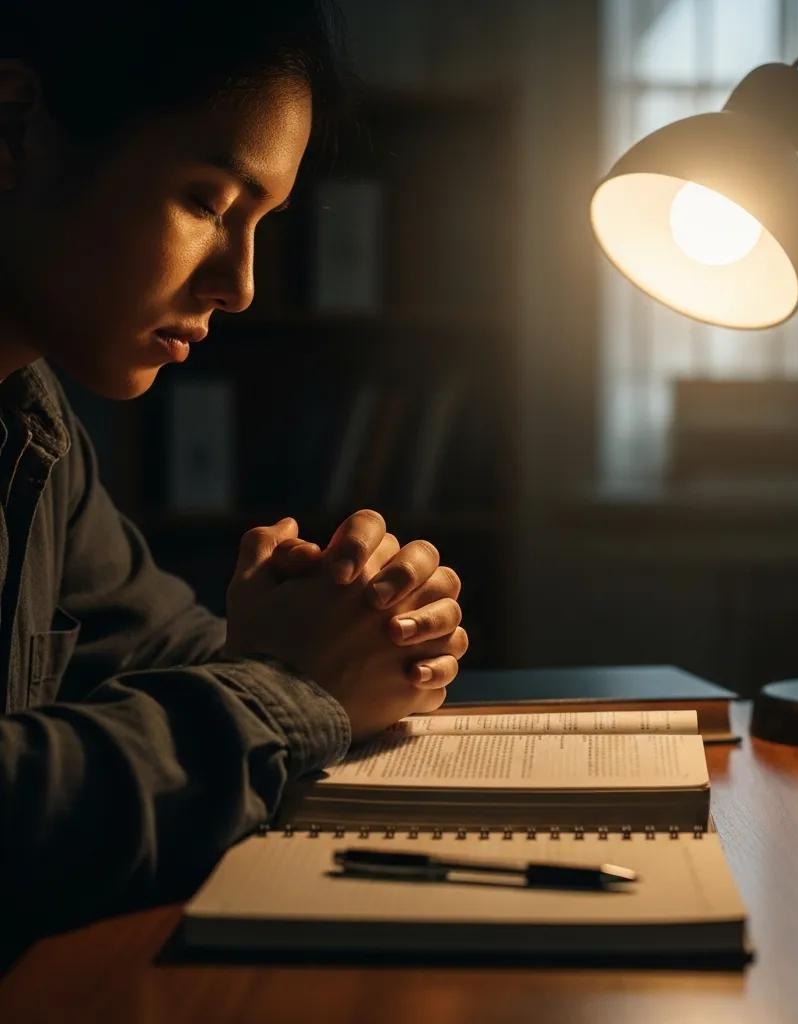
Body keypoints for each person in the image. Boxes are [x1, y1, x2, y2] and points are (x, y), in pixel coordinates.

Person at [0, 0, 468, 964]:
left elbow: (164, 652)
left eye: (259, 221)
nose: (242, 283)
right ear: (12, 129)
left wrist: (355, 629)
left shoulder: (31, 419)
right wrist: (294, 685)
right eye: (209, 202)